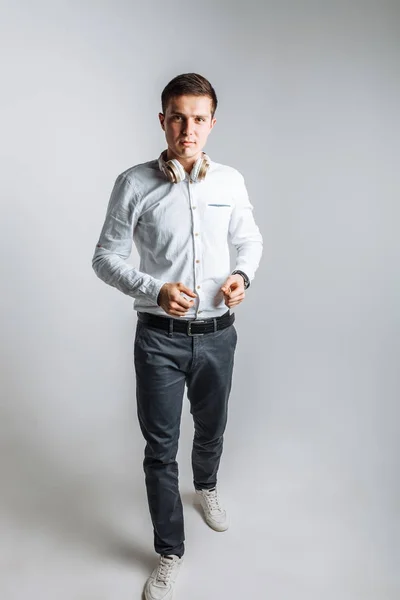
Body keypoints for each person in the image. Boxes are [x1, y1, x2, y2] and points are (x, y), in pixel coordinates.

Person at [92, 72, 263, 600]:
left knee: (211, 427)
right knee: (160, 448)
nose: (187, 130)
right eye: (177, 118)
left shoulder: (230, 181)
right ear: (162, 120)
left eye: (198, 119)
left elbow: (249, 239)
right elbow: (104, 258)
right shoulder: (133, 183)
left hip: (218, 335)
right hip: (159, 340)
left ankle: (206, 487)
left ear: (212, 123)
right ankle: (169, 551)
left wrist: (242, 276)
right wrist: (153, 288)